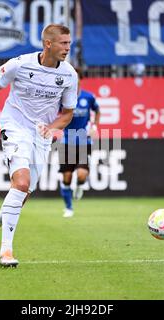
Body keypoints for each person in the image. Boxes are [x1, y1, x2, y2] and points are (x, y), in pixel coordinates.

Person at [0, 24, 78, 267]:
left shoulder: (69, 75)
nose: (67, 48)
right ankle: (6, 252)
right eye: (63, 43)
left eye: (69, 43)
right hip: (14, 127)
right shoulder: (19, 64)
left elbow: (68, 114)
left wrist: (52, 127)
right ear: (48, 44)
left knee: (23, 194)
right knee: (21, 183)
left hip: (41, 135)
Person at [59, 67, 100, 218]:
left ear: (80, 79)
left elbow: (98, 110)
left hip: (83, 141)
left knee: (82, 175)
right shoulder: (62, 97)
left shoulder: (88, 97)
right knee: (67, 177)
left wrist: (94, 126)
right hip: (66, 142)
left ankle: (81, 186)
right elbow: (55, 114)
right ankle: (69, 208)